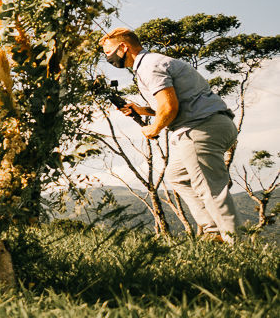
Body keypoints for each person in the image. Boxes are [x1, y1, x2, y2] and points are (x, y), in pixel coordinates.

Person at [101, 28, 241, 242]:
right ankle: (214, 232)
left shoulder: (149, 66)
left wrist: (153, 129)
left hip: (200, 128)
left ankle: (236, 244)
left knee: (210, 188)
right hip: (213, 123)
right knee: (178, 176)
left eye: (109, 51)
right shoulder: (150, 64)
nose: (107, 57)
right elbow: (172, 103)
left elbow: (169, 108)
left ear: (123, 47)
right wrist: (142, 110)